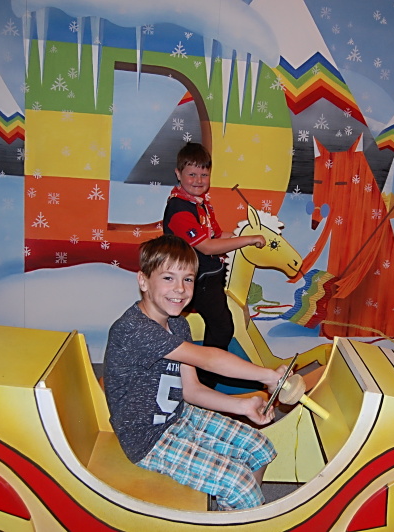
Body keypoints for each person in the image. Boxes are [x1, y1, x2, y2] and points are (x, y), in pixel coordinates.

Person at [103, 234, 286, 511]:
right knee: (240, 485)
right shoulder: (134, 329)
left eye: (187, 279)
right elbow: (209, 359)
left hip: (178, 414)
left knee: (260, 449)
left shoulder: (178, 324)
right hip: (147, 438)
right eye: (168, 278)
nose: (180, 289)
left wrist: (243, 405)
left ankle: (235, 514)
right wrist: (267, 376)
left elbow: (191, 390)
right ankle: (241, 510)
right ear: (143, 281)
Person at [163, 142, 266, 389]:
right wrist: (249, 240)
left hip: (210, 276)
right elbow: (208, 246)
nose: (198, 180)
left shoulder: (200, 204)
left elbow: (218, 235)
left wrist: (246, 233)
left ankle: (213, 371)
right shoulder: (179, 209)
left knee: (222, 325)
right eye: (192, 174)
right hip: (196, 280)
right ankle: (206, 379)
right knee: (222, 327)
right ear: (178, 174)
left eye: (204, 175)